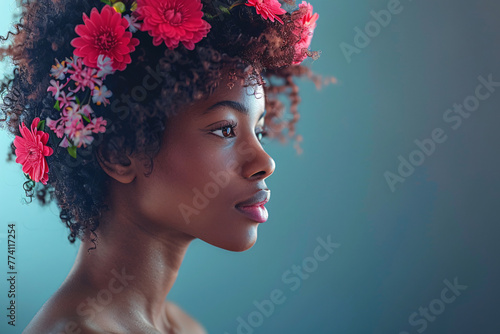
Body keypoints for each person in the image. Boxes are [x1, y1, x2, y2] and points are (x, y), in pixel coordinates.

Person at [0, 0, 329, 332]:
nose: (265, 162)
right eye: (225, 129)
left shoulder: (181, 326)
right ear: (119, 154)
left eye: (258, 131)